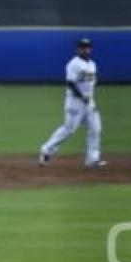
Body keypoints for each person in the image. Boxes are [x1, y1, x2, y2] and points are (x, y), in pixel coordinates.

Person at [39, 38, 106, 167]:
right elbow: (70, 83)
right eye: (82, 47)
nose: (85, 49)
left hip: (89, 103)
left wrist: (88, 99)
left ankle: (92, 159)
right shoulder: (73, 64)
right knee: (69, 129)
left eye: (87, 47)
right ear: (78, 49)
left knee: (95, 128)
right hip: (75, 103)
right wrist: (82, 97)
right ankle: (46, 150)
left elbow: (90, 83)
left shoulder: (92, 64)